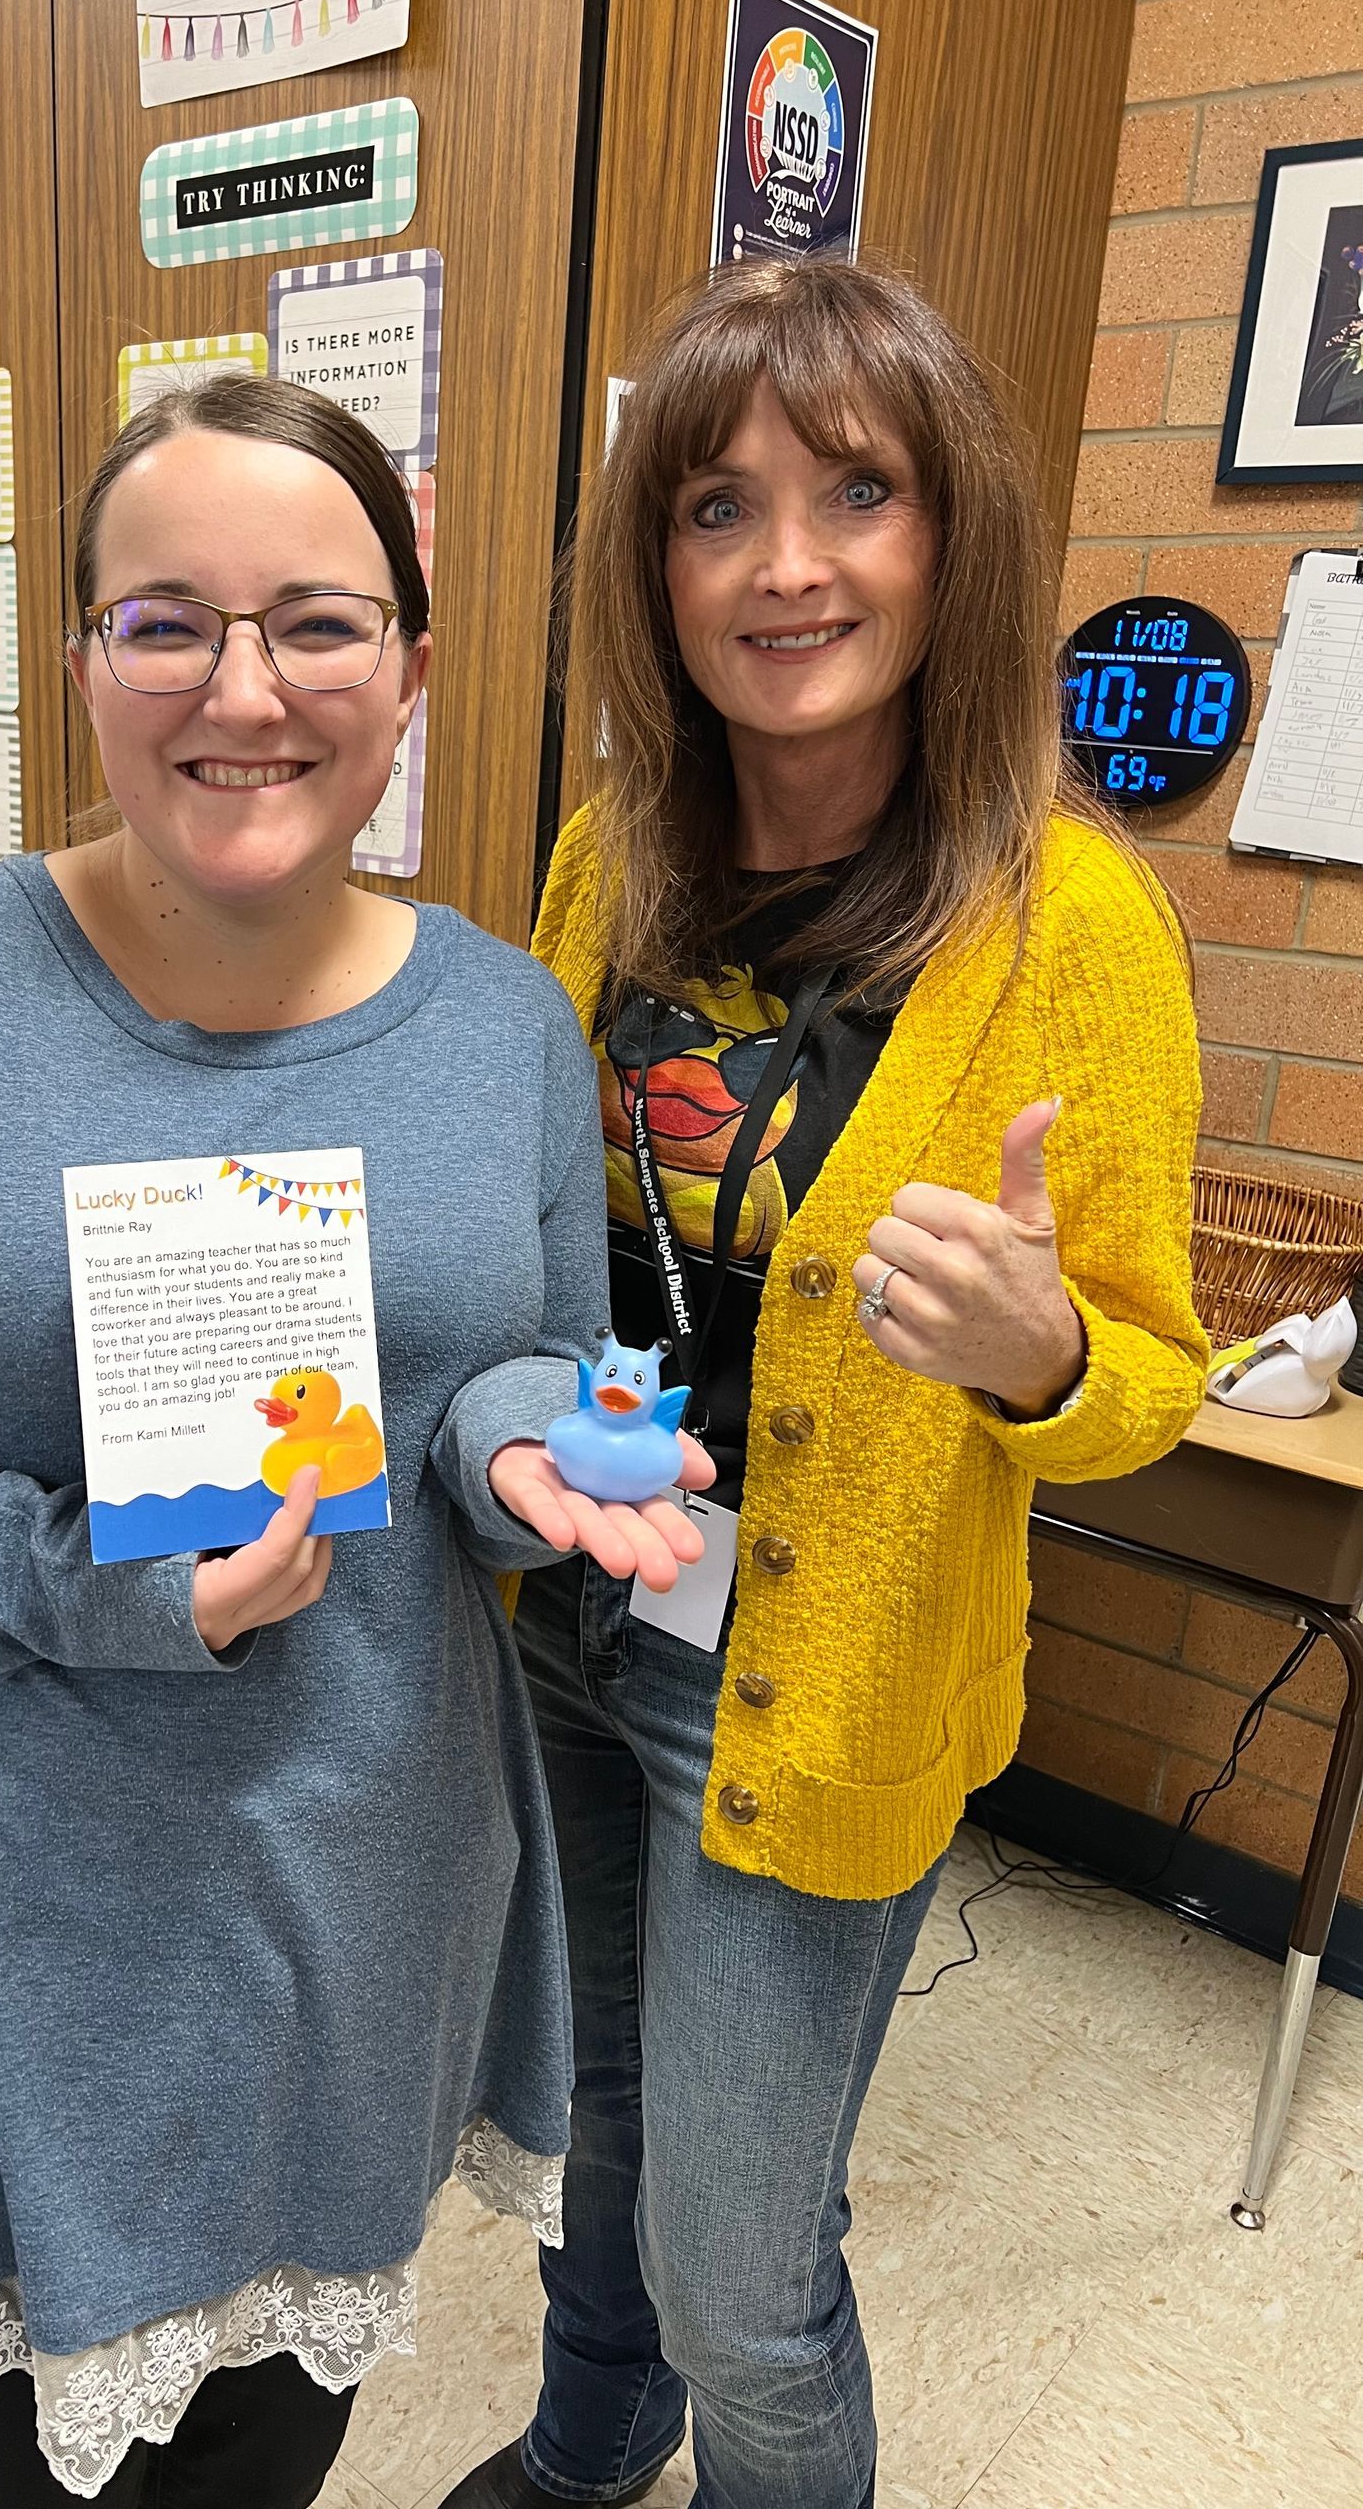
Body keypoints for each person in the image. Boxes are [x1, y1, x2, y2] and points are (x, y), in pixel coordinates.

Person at [0, 375, 709, 2507]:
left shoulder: (499, 1020)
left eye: (317, 622)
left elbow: (501, 1364)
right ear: (84, 661)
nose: (246, 688)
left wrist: (515, 1459)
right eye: (167, 621)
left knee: (251, 2461)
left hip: (349, 1897)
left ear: (409, 666)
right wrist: (73, 1572)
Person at [441, 259, 1209, 2509]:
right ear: (649, 565)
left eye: (856, 491)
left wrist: (1041, 1353)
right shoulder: (614, 850)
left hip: (819, 1663)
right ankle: (591, 2444)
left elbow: (1156, 1366)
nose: (787, 562)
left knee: (741, 2260)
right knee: (594, 2127)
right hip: (572, 1602)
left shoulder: (1071, 921)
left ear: (948, 535)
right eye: (716, 507)